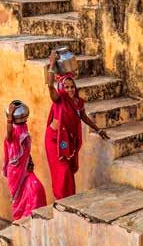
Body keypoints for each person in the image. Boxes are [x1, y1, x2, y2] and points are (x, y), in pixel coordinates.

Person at [45, 50, 110, 200]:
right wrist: (52, 63)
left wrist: (99, 130)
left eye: (71, 87)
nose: (69, 90)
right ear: (62, 88)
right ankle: (62, 200)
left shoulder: (78, 102)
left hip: (66, 140)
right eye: (66, 87)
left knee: (68, 171)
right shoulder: (59, 98)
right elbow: (50, 86)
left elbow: (84, 118)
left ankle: (69, 198)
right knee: (62, 171)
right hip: (55, 140)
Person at [3, 101, 47, 220]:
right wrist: (10, 117)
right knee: (18, 200)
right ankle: (20, 220)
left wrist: (30, 159)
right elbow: (9, 134)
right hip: (15, 172)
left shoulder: (23, 131)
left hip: (26, 169)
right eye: (20, 122)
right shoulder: (11, 136)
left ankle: (33, 217)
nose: (23, 124)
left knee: (37, 189)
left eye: (24, 122)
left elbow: (25, 149)